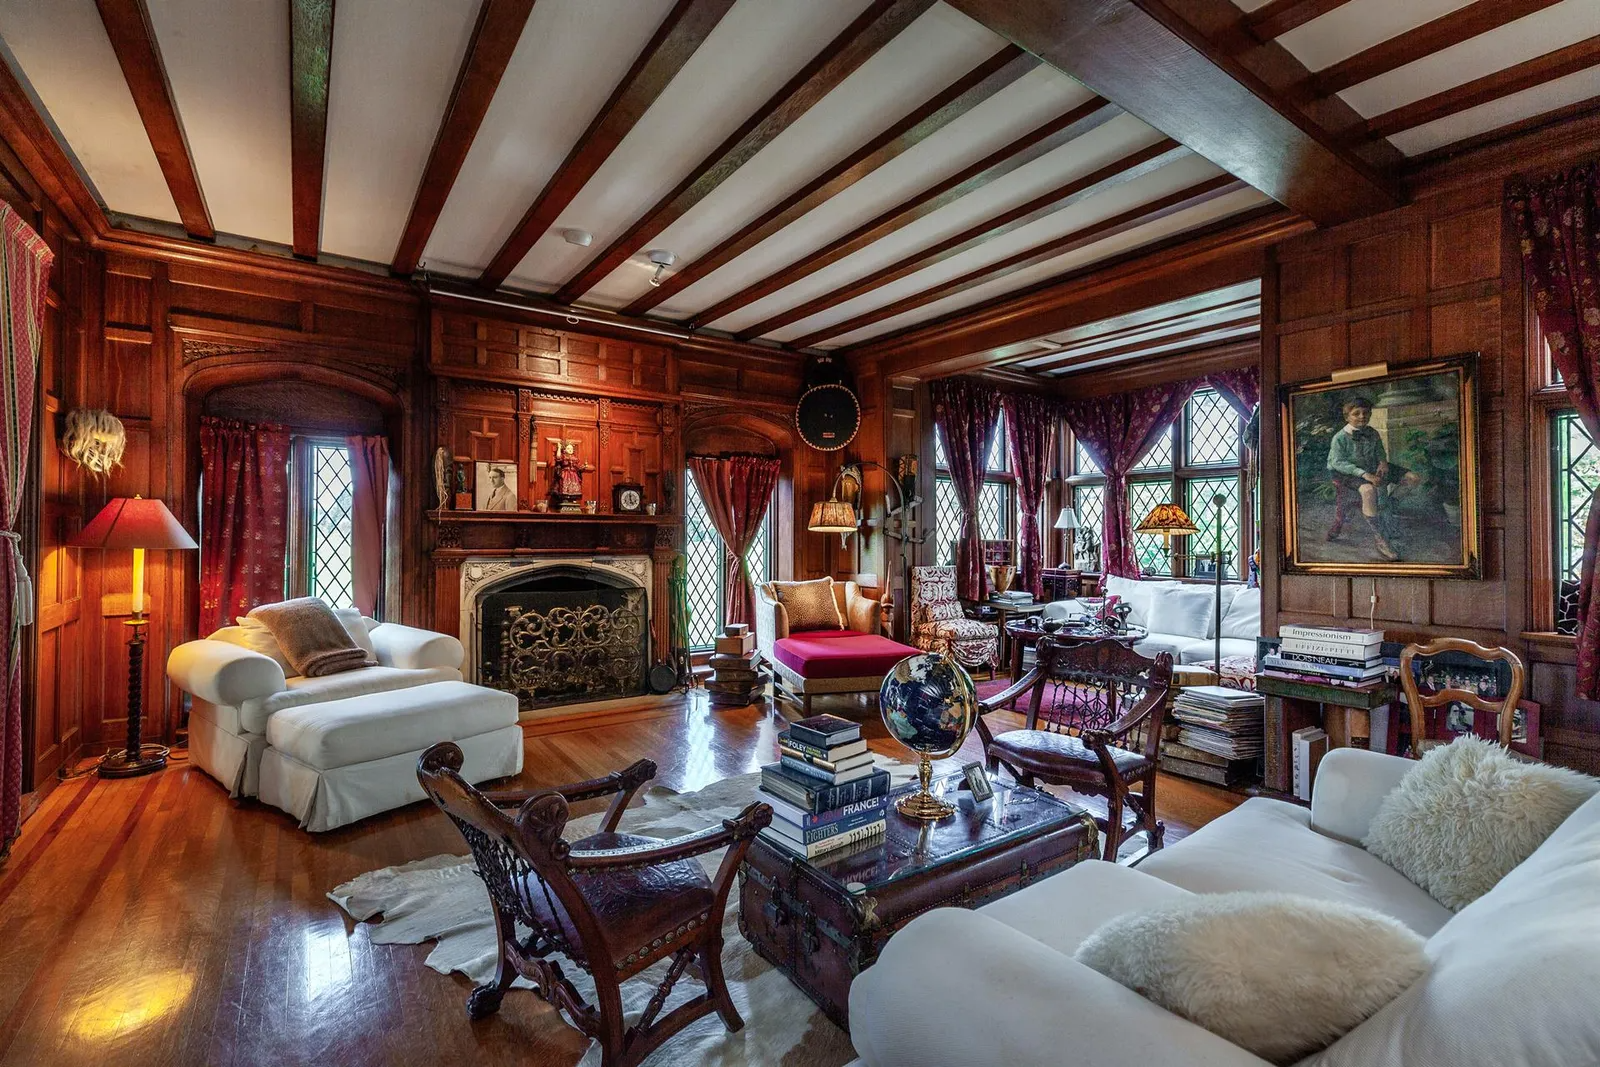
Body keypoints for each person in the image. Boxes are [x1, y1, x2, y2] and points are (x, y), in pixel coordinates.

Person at [1324, 397, 1420, 561]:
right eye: (1356, 413)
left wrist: (1382, 462)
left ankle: (1389, 505)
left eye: (1366, 413)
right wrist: (1365, 475)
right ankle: (1380, 537)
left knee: (1413, 478)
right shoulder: (1339, 438)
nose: (1362, 416)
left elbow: (1380, 451)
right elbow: (1337, 462)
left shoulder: (1372, 432)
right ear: (1347, 417)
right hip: (1348, 472)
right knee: (1368, 490)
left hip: (1372, 466)